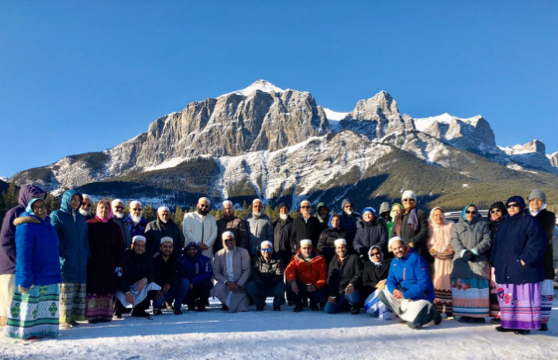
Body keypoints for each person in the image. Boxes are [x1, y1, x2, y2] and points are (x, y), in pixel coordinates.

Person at [3, 198, 62, 340]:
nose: (41, 209)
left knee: (45, 305)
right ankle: (26, 331)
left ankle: (44, 329)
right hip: (34, 275)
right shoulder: (26, 225)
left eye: (43, 206)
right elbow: (23, 254)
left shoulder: (47, 224)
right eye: (37, 207)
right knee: (30, 305)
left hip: (49, 273)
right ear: (30, 208)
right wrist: (24, 278)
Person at [491, 196, 547, 335]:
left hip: (523, 269)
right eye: (508, 205)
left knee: (523, 298)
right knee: (507, 298)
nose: (511, 207)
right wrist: (494, 260)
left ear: (521, 206)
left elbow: (538, 243)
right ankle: (508, 323)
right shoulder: (503, 223)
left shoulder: (529, 221)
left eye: (515, 205)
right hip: (504, 267)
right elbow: (497, 245)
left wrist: (524, 260)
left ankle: (524, 325)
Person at [0, 184, 46, 328]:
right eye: (35, 197)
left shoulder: (38, 216)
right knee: (12, 301)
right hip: (12, 267)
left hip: (30, 267)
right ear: (26, 197)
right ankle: (12, 331)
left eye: (40, 198)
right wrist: (17, 262)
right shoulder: (15, 212)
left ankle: (25, 329)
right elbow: (5, 240)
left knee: (27, 302)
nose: (38, 201)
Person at [378, 237, 441, 330]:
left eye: (399, 247)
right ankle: (406, 315)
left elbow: (424, 283)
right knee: (382, 294)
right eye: (394, 249)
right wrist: (394, 290)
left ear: (404, 245)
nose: (398, 250)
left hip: (419, 297)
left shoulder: (416, 259)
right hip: (404, 296)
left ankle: (432, 311)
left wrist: (405, 294)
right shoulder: (394, 262)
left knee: (414, 325)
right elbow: (391, 279)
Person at [51, 190, 90, 329]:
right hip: (66, 259)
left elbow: (85, 238)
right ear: (66, 199)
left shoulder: (80, 218)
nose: (76, 202)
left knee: (77, 288)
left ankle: (73, 317)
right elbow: (53, 236)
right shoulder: (57, 215)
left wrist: (86, 252)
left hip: (80, 259)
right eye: (73, 199)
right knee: (66, 289)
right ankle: (63, 318)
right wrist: (62, 251)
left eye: (78, 200)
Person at [85, 199, 125, 323]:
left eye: (107, 208)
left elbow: (120, 247)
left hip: (109, 263)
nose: (104, 210)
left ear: (110, 210)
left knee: (107, 288)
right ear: (97, 209)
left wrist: (119, 264)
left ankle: (105, 314)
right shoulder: (89, 224)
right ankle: (92, 315)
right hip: (93, 264)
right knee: (94, 289)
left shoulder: (115, 226)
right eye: (102, 208)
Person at [450, 204, 491, 323]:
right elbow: (454, 240)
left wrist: (475, 251)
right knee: (463, 289)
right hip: (462, 261)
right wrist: (463, 252)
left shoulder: (483, 224)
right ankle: (464, 313)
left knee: (477, 288)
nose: (470, 214)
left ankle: (479, 315)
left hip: (478, 260)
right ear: (464, 213)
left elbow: (487, 240)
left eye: (473, 212)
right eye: (468, 212)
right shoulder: (457, 226)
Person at [528, 190, 555, 331]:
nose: (535, 202)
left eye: (538, 200)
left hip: (543, 259)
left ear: (543, 202)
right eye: (532, 200)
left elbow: (544, 233)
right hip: (528, 260)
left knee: (544, 290)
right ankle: (530, 318)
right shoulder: (524, 215)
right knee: (529, 291)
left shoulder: (549, 216)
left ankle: (543, 321)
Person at [114, 236, 161, 318]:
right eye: (138, 245)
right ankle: (118, 309)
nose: (140, 248)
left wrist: (145, 279)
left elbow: (152, 273)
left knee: (153, 286)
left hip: (139, 286)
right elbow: (119, 276)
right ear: (132, 245)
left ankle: (139, 309)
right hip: (124, 287)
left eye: (142, 246)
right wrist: (127, 292)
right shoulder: (124, 256)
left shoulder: (148, 257)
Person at [426, 207, 455, 319]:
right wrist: (436, 252)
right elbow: (428, 244)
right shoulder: (430, 227)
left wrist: (450, 252)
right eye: (436, 215)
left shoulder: (450, 226)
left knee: (449, 282)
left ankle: (449, 310)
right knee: (436, 283)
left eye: (440, 214)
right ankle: (437, 310)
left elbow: (455, 241)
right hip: (436, 260)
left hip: (449, 260)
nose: (439, 217)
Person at [213, 231, 251, 313]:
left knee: (242, 309)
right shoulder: (218, 254)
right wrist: (227, 282)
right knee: (218, 288)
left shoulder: (243, 252)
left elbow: (247, 270)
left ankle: (232, 304)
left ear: (234, 240)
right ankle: (228, 304)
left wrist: (238, 284)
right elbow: (216, 273)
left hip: (240, 284)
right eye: (226, 240)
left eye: (230, 240)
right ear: (223, 242)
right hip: (226, 285)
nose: (228, 242)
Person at [285, 239, 327, 312]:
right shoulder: (295, 259)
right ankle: (298, 305)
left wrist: (316, 286)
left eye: (309, 248)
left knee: (323, 290)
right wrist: (293, 282)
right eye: (304, 248)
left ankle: (314, 303)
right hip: (301, 285)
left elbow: (323, 276)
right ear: (300, 248)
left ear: (312, 248)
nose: (306, 250)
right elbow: (289, 271)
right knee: (290, 283)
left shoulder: (320, 259)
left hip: (315, 285)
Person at [324, 239, 363, 314]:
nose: (341, 250)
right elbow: (330, 279)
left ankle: (355, 305)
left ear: (346, 247)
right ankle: (345, 305)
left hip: (350, 288)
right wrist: (331, 295)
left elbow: (359, 273)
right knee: (328, 310)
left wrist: (352, 283)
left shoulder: (354, 258)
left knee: (352, 295)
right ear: (335, 249)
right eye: (338, 248)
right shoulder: (333, 261)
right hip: (338, 292)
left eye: (343, 247)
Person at [153, 237, 189, 315]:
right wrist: (156, 289)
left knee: (185, 282)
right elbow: (151, 277)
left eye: (170, 247)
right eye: (165, 246)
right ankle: (157, 306)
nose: (167, 249)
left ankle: (177, 306)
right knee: (158, 302)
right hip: (158, 290)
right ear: (160, 247)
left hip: (171, 288)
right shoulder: (155, 260)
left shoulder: (176, 259)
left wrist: (170, 283)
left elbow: (181, 273)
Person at [390, 191, 429, 263]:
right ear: (402, 202)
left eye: (411, 199)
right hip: (401, 252)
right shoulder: (398, 217)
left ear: (415, 201)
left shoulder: (420, 214)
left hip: (416, 250)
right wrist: (395, 246)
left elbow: (424, 232)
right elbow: (393, 234)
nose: (408, 201)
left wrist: (412, 243)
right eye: (405, 199)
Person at [245, 241, 285, 311]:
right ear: (260, 250)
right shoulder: (256, 259)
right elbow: (254, 273)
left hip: (273, 284)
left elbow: (279, 275)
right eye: (264, 249)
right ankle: (260, 304)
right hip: (261, 284)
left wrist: (272, 281)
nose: (266, 251)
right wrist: (259, 280)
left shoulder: (279, 259)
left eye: (269, 249)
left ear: (272, 250)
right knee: (250, 286)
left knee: (281, 286)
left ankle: (277, 305)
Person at [487, 201, 507, 324]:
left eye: (497, 210)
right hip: (492, 260)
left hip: (505, 260)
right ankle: (496, 314)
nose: (495, 213)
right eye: (492, 211)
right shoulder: (489, 225)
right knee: (494, 288)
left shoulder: (507, 224)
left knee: (504, 288)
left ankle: (505, 313)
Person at [180, 242, 214, 312]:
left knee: (208, 284)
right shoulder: (181, 260)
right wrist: (189, 282)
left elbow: (207, 274)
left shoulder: (205, 259)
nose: (192, 251)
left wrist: (194, 281)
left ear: (198, 250)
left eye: (194, 249)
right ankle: (189, 303)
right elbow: (179, 273)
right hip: (187, 286)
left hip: (199, 284)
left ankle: (201, 304)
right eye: (189, 249)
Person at [362, 246, 393, 319]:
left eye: (377, 253)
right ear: (370, 256)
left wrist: (385, 281)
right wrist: (376, 285)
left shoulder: (389, 262)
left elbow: (394, 276)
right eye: (372, 254)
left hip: (387, 289)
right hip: (374, 292)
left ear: (381, 253)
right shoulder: (367, 266)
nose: (375, 256)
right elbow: (365, 282)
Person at [273, 203, 295, 268]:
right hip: (276, 253)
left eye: (285, 208)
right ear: (279, 210)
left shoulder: (293, 222)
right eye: (282, 208)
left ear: (288, 210)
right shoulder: (275, 223)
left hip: (289, 253)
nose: (283, 209)